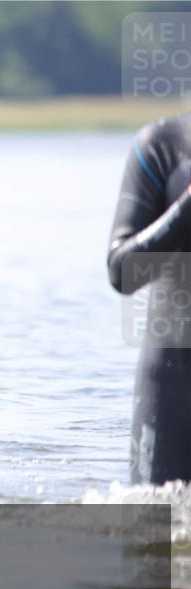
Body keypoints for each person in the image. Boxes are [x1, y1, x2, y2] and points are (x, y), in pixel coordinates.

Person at [107, 111, 191, 485]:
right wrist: (186, 210)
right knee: (157, 533)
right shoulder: (162, 147)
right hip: (173, 389)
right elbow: (122, 271)